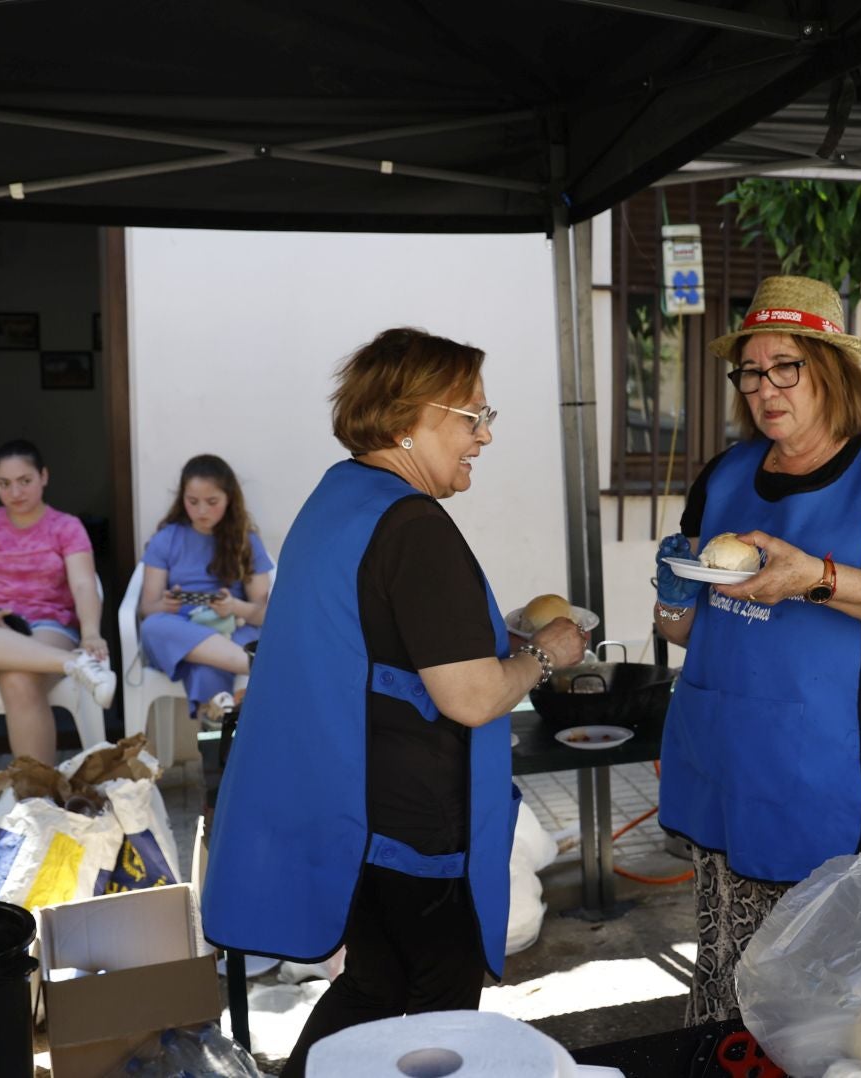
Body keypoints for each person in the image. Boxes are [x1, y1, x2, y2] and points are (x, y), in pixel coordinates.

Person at [201, 327, 586, 1077]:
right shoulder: (415, 526)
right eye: (471, 417)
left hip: (358, 812)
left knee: (374, 984)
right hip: (416, 823)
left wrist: (491, 636)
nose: (484, 437)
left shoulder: (341, 495)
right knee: (441, 1006)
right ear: (410, 417)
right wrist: (545, 654)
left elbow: (374, 637)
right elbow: (472, 698)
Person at [651, 276, 861, 1025]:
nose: (765, 389)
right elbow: (695, 632)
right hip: (734, 762)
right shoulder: (726, 474)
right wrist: (672, 592)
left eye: (785, 367)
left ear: (830, 368)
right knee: (740, 978)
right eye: (751, 371)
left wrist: (816, 578)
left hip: (852, 776)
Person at [0, 440, 114, 767]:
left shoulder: (66, 526)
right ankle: (73, 664)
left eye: (25, 481)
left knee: (19, 678)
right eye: (4, 484)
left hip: (46, 628)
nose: (15, 492)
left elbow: (84, 584)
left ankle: (36, 799)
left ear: (44, 476)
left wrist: (91, 633)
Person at [136, 454, 273, 724]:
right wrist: (166, 605)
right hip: (179, 628)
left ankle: (213, 758)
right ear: (182, 497)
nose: (201, 511)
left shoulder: (246, 540)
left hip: (233, 626)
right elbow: (147, 609)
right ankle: (266, 668)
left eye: (212, 502)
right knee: (153, 626)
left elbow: (265, 613)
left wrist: (234, 606)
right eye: (192, 501)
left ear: (229, 499)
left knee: (205, 666)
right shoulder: (167, 539)